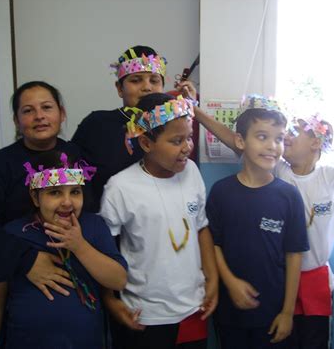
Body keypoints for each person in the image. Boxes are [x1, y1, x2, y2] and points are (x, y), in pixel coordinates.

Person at [199, 97, 334, 348]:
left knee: (313, 340)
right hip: (279, 278)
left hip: (312, 278)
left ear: (315, 142)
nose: (285, 139)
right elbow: (235, 138)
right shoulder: (277, 169)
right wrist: (196, 112)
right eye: (283, 134)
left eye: (292, 133)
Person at [99, 93, 218, 349]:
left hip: (193, 308)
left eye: (188, 137)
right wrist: (110, 301)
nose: (187, 147)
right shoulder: (120, 188)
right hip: (144, 315)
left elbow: (201, 227)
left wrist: (213, 279)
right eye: (176, 140)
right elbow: (105, 249)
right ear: (146, 143)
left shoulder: (192, 173)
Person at [0, 151, 127, 349]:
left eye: (75, 191)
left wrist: (80, 246)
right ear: (35, 197)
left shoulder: (94, 226)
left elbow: (118, 280)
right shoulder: (13, 234)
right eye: (55, 192)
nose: (67, 202)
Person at [0, 81, 83, 299]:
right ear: (17, 121)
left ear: (61, 113)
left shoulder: (78, 157)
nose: (39, 116)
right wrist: (27, 260)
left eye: (47, 107)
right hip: (16, 276)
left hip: (78, 270)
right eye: (28, 111)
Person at [206, 95, 309, 349]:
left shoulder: (289, 196)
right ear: (240, 141)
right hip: (230, 312)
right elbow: (212, 243)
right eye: (262, 137)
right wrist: (230, 281)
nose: (272, 146)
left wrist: (287, 312)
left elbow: (294, 255)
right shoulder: (221, 192)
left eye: (279, 138)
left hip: (273, 313)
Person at [72, 45, 206, 211]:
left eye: (154, 80)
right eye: (136, 80)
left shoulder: (174, 126)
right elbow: (72, 177)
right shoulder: (96, 125)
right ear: (120, 88)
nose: (147, 87)